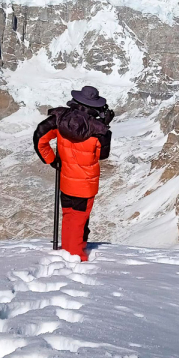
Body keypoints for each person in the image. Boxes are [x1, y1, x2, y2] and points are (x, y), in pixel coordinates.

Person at [33, 86, 114, 261]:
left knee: (69, 218)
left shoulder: (59, 120)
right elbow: (103, 155)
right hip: (85, 186)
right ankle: (75, 258)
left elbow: (40, 136)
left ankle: (67, 251)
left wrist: (52, 160)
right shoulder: (98, 130)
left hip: (66, 181)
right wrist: (106, 127)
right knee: (79, 222)